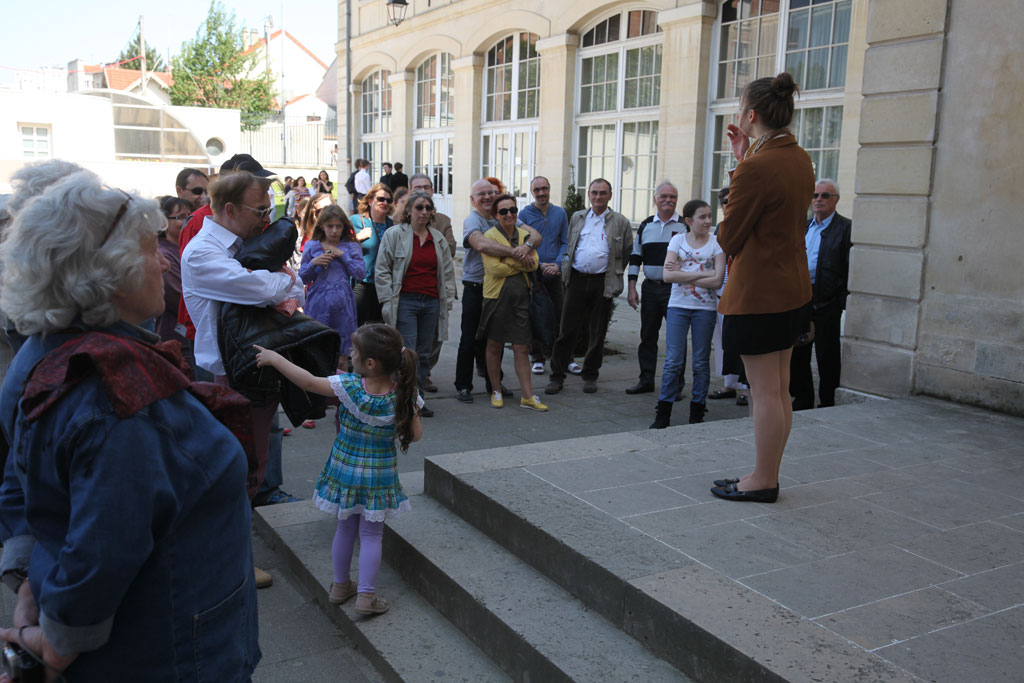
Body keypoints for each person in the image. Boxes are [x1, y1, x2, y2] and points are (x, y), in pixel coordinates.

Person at [0, 171, 260, 679]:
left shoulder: (62, 355)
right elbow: (101, 549)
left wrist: (34, 587)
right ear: (106, 275)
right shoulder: (121, 397)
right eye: (147, 250)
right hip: (174, 651)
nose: (163, 259)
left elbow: (31, 491)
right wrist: (56, 640)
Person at [253, 324, 422, 616]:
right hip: (379, 475)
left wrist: (275, 358)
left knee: (345, 527)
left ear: (369, 363)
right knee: (371, 535)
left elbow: (306, 381)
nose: (351, 354)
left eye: (355, 351)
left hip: (344, 470)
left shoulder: (349, 387)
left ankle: (340, 585)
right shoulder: (403, 396)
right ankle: (366, 597)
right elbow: (416, 435)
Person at [711, 72, 815, 504]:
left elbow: (727, 238)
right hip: (790, 288)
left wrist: (740, 170)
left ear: (751, 115)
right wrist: (744, 156)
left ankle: (764, 479)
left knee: (765, 392)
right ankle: (765, 472)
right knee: (779, 388)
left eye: (739, 107)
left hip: (759, 293)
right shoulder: (799, 157)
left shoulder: (757, 166)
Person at [181, 170, 306, 507]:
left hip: (255, 365)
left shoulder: (241, 244)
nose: (267, 220)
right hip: (228, 373)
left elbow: (298, 288)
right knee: (236, 468)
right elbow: (262, 288)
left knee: (255, 461)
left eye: (269, 210)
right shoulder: (202, 252)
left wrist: (269, 281)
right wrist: (272, 281)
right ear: (231, 210)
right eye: (261, 211)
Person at [455, 179, 542, 403]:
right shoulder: (472, 220)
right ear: (472, 200)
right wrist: (517, 253)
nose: (487, 197)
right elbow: (481, 245)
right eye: (481, 194)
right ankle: (464, 384)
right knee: (470, 337)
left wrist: (527, 247)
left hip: (503, 287)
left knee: (496, 338)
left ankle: (494, 384)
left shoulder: (505, 213)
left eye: (491, 193)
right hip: (476, 284)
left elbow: (535, 236)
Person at [545, 178, 633, 395]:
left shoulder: (620, 221)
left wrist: (615, 273)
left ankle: (590, 375)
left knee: (597, 331)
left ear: (610, 196)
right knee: (566, 330)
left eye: (602, 193)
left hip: (602, 282)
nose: (597, 197)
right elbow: (569, 244)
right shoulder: (578, 217)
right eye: (594, 192)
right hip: (576, 279)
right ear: (589, 195)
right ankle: (557, 376)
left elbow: (627, 250)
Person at [375, 191, 457, 418]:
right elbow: (382, 269)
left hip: (431, 302)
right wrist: (387, 298)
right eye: (419, 207)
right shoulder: (394, 235)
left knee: (424, 354)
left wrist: (447, 300)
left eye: (428, 208)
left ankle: (417, 399)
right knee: (408, 353)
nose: (423, 211)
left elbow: (447, 272)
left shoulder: (437, 238)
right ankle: (404, 400)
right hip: (406, 301)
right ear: (409, 210)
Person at [650, 199, 725, 428]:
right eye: (703, 217)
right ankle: (663, 412)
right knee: (673, 360)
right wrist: (705, 274)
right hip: (679, 307)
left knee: (701, 362)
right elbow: (667, 276)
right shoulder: (677, 240)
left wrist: (683, 272)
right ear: (690, 220)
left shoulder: (716, 244)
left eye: (710, 216)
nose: (708, 221)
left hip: (705, 309)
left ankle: (697, 412)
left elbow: (718, 280)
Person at [478, 194, 549, 411]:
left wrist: (510, 259)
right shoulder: (489, 235)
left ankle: (527, 395)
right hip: (496, 298)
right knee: (494, 344)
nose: (509, 214)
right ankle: (496, 390)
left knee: (521, 346)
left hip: (521, 298)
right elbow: (494, 269)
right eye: (503, 211)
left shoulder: (524, 235)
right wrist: (520, 260)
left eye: (512, 210)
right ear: (495, 215)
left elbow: (534, 263)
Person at [790, 179, 852, 410]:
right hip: (801, 298)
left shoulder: (845, 228)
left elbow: (848, 266)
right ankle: (803, 397)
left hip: (828, 299)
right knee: (798, 351)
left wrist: (841, 300)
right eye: (815, 195)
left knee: (827, 354)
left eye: (825, 196)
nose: (818, 200)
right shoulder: (803, 227)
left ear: (835, 200)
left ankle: (827, 400)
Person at [626, 181, 686, 394]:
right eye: (663, 196)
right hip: (650, 289)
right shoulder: (645, 225)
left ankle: (676, 386)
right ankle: (646, 380)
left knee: (676, 339)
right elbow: (635, 257)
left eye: (672, 196)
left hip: (675, 289)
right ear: (655, 199)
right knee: (648, 337)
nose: (668, 200)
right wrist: (632, 287)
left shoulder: (684, 226)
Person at [299, 204, 365, 372]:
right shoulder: (312, 246)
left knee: (341, 357)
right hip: (318, 303)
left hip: (343, 305)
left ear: (344, 226)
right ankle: (318, 390)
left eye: (338, 226)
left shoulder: (350, 246)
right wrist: (314, 263)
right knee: (318, 352)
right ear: (322, 226)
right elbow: (302, 278)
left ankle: (340, 394)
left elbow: (360, 274)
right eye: (330, 226)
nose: (334, 230)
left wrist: (343, 256)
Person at [408, 173, 456, 392]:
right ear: (410, 190)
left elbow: (450, 248)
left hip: (434, 289)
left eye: (427, 187)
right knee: (409, 341)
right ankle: (408, 381)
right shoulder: (401, 219)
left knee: (433, 339)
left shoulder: (443, 220)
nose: (424, 190)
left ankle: (424, 374)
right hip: (408, 291)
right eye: (418, 187)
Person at [518, 176, 569, 376]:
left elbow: (565, 242)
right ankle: (537, 357)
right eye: (537, 189)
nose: (541, 193)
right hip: (534, 273)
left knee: (560, 315)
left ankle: (562, 358)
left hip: (555, 273)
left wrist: (557, 265)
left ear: (549, 189)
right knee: (536, 315)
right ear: (532, 192)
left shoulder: (560, 213)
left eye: (544, 189)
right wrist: (539, 265)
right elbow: (522, 244)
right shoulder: (524, 214)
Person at [708, 186, 750, 407]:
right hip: (721, 292)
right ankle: (729, 384)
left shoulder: (747, 225)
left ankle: (745, 387)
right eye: (724, 201)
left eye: (731, 200)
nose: (728, 205)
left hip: (742, 293)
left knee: (742, 341)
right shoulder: (720, 229)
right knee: (723, 342)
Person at [351, 183, 395, 324]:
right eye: (381, 199)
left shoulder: (392, 225)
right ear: (370, 201)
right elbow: (341, 246)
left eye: (388, 200)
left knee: (378, 330)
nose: (385, 203)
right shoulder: (356, 221)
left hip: (384, 286)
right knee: (356, 327)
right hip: (362, 284)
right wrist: (357, 238)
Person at [155, 196, 191, 348]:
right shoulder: (164, 254)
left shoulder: (187, 247)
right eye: (181, 217)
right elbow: (179, 298)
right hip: (176, 338)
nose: (187, 221)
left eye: (190, 216)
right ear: (164, 221)